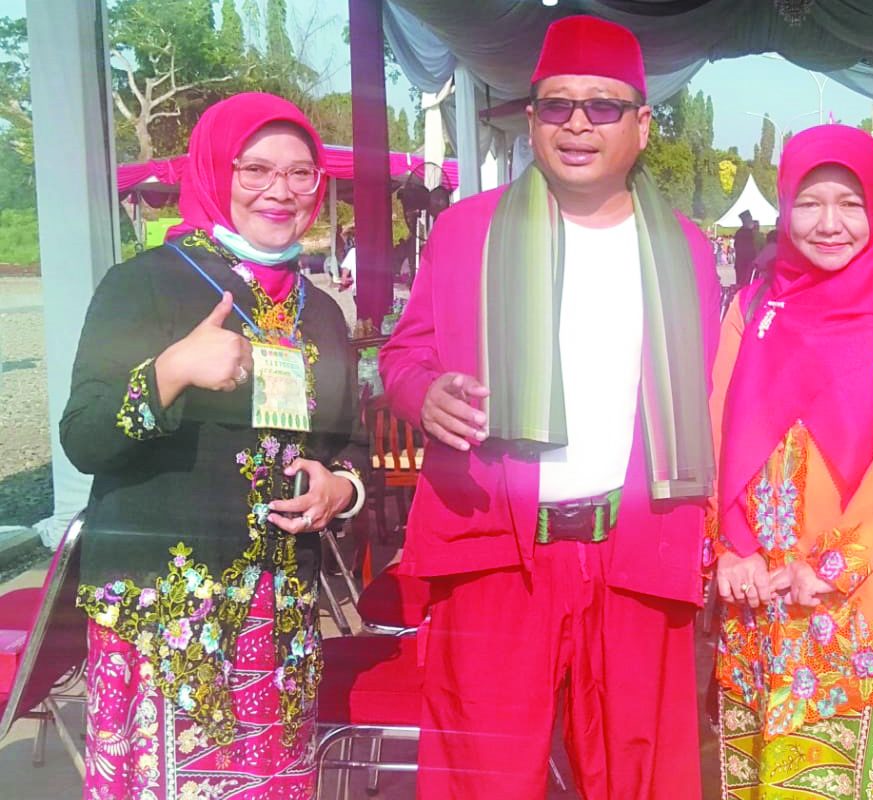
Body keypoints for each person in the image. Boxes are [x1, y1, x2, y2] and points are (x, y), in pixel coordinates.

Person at [378, 16, 719, 799]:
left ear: (642, 125)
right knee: (483, 777)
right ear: (531, 121)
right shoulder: (466, 232)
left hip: (636, 548)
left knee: (643, 776)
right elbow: (402, 356)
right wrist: (423, 394)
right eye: (557, 105)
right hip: (497, 551)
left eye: (602, 107)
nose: (577, 124)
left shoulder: (687, 251)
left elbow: (706, 394)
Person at [62, 92, 366, 799]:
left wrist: (340, 488)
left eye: (300, 173)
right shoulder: (146, 285)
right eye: (255, 168)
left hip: (279, 614)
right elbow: (83, 436)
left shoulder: (319, 311)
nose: (279, 191)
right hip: (166, 613)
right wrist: (169, 373)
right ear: (213, 171)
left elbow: (350, 444)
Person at [708, 124, 873, 798]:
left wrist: (830, 566)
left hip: (866, 609)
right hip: (761, 603)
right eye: (809, 203)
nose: (828, 224)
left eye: (849, 204)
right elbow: (715, 427)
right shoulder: (754, 304)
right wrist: (729, 548)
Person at [734, 209, 759, 286]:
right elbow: (747, 249)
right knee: (747, 285)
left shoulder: (740, 232)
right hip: (746, 264)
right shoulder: (746, 233)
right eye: (750, 218)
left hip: (743, 263)